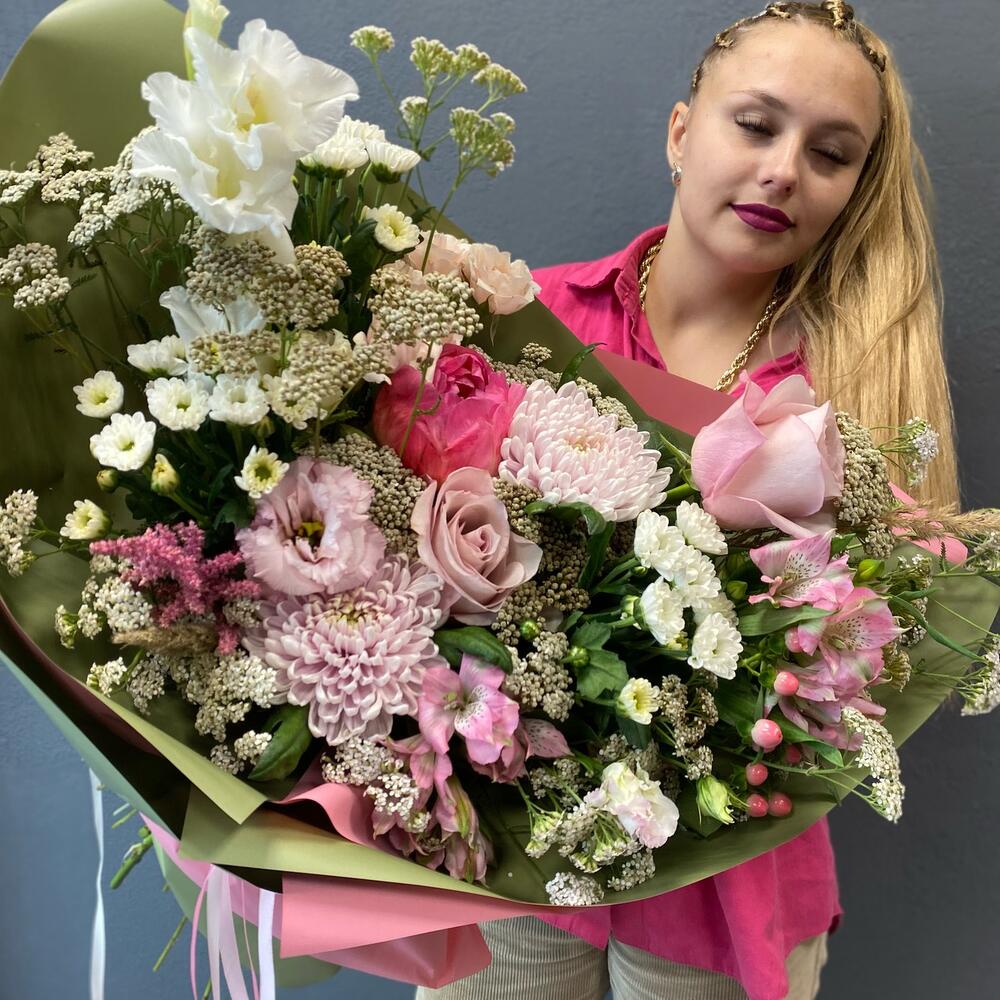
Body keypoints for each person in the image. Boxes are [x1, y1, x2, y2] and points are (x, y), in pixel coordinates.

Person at [416, 2, 960, 998]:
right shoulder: (525, 321)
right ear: (680, 133)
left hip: (726, 884)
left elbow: (877, 661)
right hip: (510, 859)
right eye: (755, 125)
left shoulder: (855, 403)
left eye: (830, 154)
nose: (783, 171)